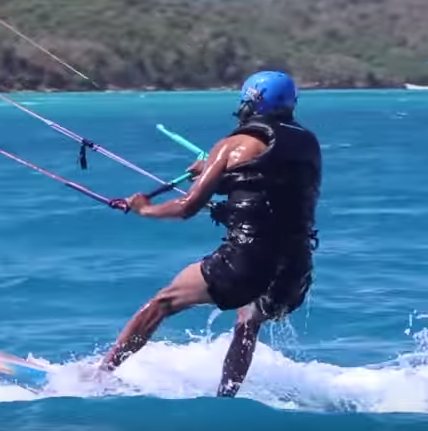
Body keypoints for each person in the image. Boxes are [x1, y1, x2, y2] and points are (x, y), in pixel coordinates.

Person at [101, 70, 322, 397]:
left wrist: (144, 208)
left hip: (247, 260)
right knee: (248, 321)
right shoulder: (308, 144)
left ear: (251, 102)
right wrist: (214, 172)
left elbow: (187, 206)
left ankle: (100, 375)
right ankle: (226, 397)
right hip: (295, 268)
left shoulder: (231, 145)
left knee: (161, 303)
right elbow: (267, 183)